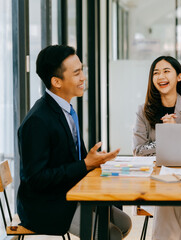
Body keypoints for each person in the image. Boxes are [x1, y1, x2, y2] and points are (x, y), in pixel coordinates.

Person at [17, 45, 131, 239]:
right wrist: (85, 164)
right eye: (77, 73)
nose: (83, 78)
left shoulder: (66, 109)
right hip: (46, 204)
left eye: (82, 70)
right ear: (56, 81)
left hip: (69, 191)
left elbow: (76, 159)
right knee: (110, 234)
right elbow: (35, 179)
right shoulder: (37, 121)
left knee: (125, 223)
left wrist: (95, 160)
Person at [133, 56, 181, 240]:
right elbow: (138, 150)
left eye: (166, 71)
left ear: (179, 77)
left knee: (172, 196)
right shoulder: (143, 111)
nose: (160, 76)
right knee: (170, 197)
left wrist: (176, 132)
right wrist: (166, 137)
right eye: (156, 73)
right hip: (152, 185)